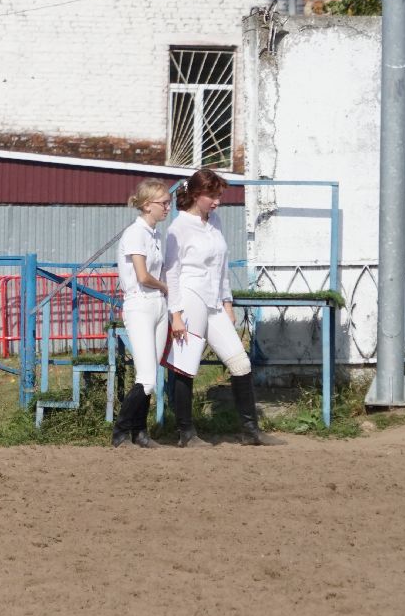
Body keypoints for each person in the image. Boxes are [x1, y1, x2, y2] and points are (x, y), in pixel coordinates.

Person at [161, 167, 279, 447]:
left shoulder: (216, 222)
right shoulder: (178, 228)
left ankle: (250, 431)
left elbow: (222, 266)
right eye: (212, 196)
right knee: (185, 366)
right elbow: (172, 273)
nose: (217, 201)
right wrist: (175, 313)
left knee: (240, 362)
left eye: (219, 196)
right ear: (196, 194)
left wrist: (227, 301)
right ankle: (185, 433)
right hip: (190, 298)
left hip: (214, 301)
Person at [110, 178, 171, 448]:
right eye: (163, 203)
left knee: (150, 374)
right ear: (147, 205)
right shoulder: (135, 234)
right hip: (140, 303)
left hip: (157, 304)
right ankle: (121, 430)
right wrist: (167, 286)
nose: (168, 207)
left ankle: (139, 432)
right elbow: (144, 276)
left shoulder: (155, 235)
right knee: (146, 376)